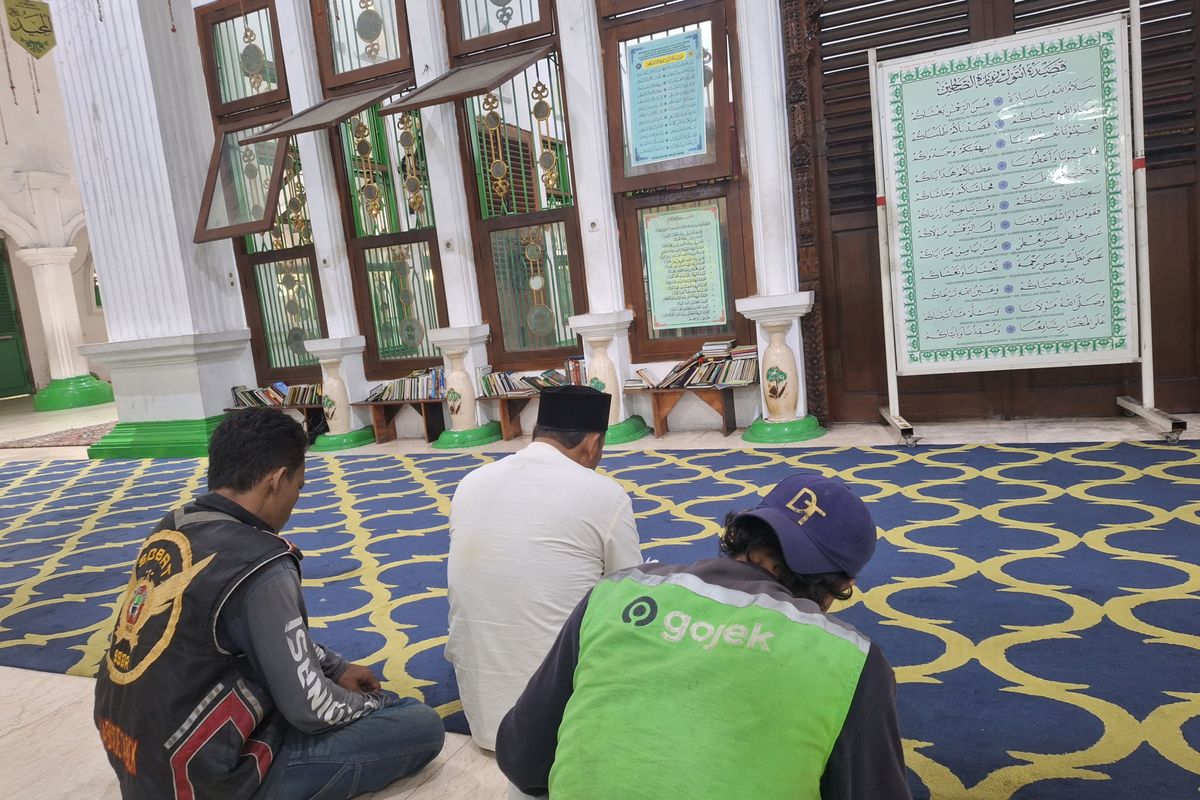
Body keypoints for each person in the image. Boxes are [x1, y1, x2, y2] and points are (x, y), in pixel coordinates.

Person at [94, 408, 445, 800]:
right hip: (206, 778)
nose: (296, 499)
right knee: (417, 723)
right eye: (298, 486)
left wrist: (336, 667)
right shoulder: (261, 562)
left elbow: (264, 635)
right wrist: (374, 703)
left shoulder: (174, 525)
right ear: (276, 480)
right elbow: (311, 710)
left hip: (133, 752)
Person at [495, 472, 912, 800]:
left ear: (745, 533)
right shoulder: (852, 659)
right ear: (843, 583)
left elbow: (522, 759)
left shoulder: (616, 590)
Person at [446, 385, 644, 751]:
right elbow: (629, 594)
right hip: (559, 722)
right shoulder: (605, 494)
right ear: (593, 443)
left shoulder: (469, 483)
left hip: (483, 715)